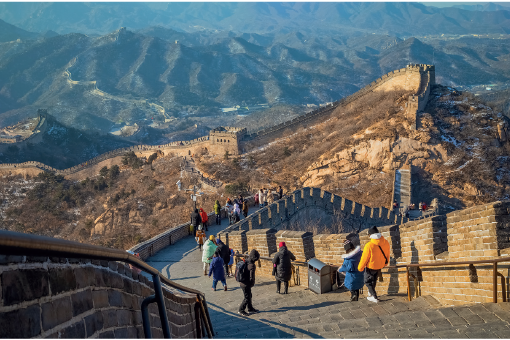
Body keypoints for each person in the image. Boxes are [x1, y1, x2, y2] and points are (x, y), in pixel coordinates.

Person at [358, 226, 390, 303]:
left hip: (371, 266)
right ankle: (370, 292)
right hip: (380, 265)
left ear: (370, 235)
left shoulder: (369, 245)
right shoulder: (385, 242)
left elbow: (364, 259)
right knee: (374, 280)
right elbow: (387, 254)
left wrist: (360, 268)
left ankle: (374, 296)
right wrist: (386, 262)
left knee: (367, 281)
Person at [238, 249, 260, 317]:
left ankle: (250, 308)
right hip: (246, 283)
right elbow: (251, 277)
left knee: (249, 295)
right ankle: (241, 310)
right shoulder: (252, 266)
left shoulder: (247, 260)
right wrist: (251, 284)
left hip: (242, 281)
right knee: (247, 297)